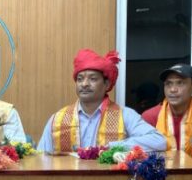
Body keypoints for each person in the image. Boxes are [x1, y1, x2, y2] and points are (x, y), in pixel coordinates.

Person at [36, 49, 166, 153]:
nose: (84, 84)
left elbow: (159, 141)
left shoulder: (125, 115)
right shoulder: (58, 118)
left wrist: (115, 147)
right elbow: (41, 157)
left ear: (106, 84)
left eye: (92, 79)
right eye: (80, 79)